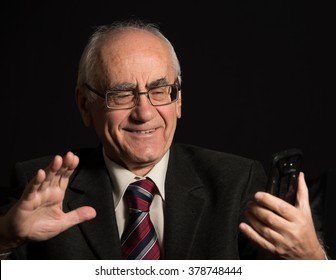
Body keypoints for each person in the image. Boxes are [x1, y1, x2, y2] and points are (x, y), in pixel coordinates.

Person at [0, 19, 327, 260]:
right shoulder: (35, 188)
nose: (144, 112)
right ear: (86, 106)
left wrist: (311, 259)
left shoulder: (237, 183)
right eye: (122, 94)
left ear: (179, 99)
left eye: (160, 91)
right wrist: (5, 239)